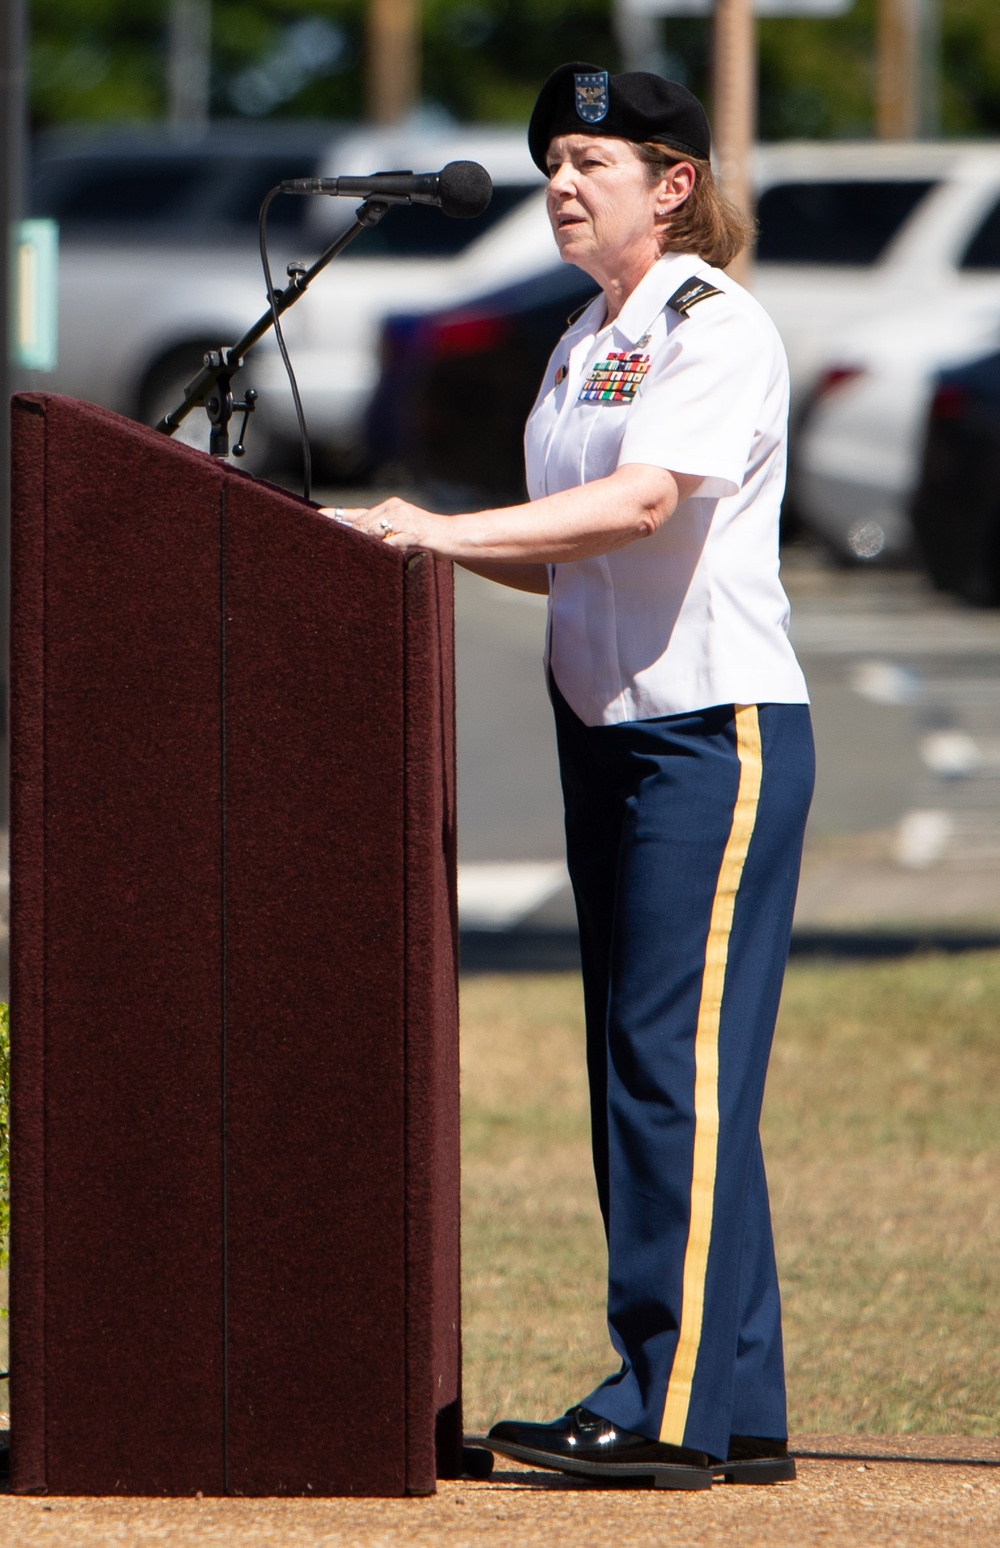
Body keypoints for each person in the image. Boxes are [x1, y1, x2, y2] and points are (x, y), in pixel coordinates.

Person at [323, 62, 813, 1490]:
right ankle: (738, 1398)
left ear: (672, 185)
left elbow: (645, 502)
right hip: (608, 729)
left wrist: (441, 526)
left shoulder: (714, 328)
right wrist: (401, 559)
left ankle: (663, 1410)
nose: (558, 180)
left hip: (708, 729)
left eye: (591, 158)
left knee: (672, 1069)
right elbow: (571, 550)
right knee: (651, 1068)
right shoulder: (583, 341)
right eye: (551, 159)